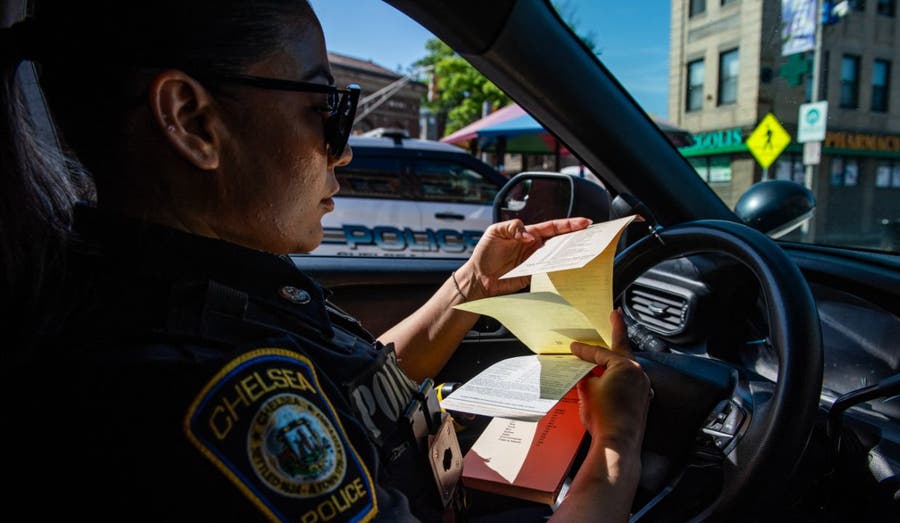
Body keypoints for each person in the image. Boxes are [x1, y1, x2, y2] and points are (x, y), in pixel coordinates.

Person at [0, 2, 651, 522]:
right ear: (192, 120)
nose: (341, 153)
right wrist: (617, 444)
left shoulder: (195, 286)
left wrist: (472, 283)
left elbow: (350, 391)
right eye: (326, 109)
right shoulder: (208, 381)